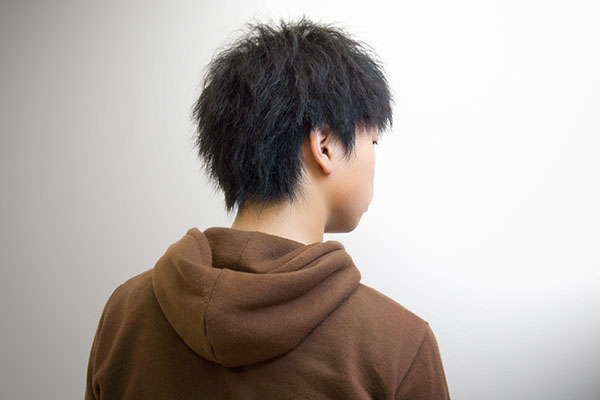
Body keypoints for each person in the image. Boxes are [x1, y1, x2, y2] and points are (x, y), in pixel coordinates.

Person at [85, 18, 451, 399]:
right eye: (372, 141)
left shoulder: (124, 315)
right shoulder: (399, 347)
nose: (374, 160)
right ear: (325, 144)